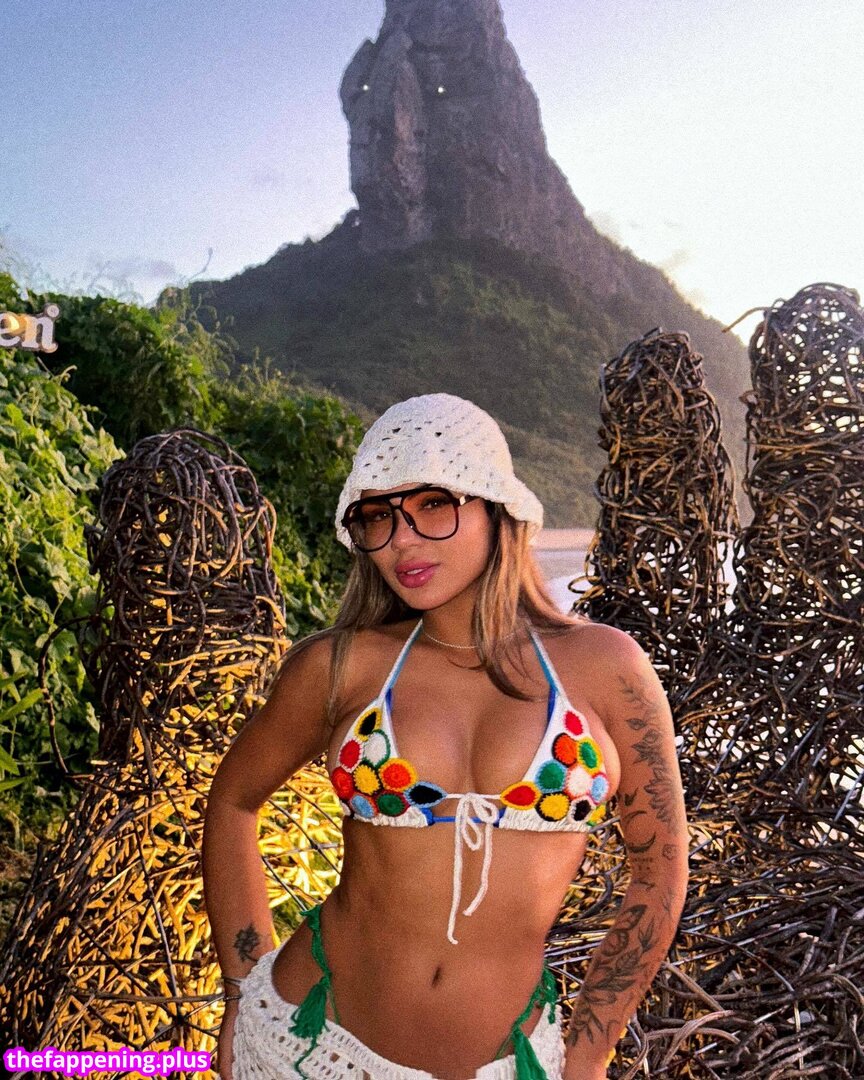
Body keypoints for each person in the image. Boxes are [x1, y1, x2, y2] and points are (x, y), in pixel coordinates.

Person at [202, 393, 689, 1080]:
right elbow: (233, 802)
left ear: (496, 509)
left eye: (434, 505)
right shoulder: (343, 666)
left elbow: (660, 872)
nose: (402, 541)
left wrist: (586, 1055)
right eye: (379, 516)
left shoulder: (605, 667)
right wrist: (243, 989)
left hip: (511, 1064)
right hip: (303, 1048)